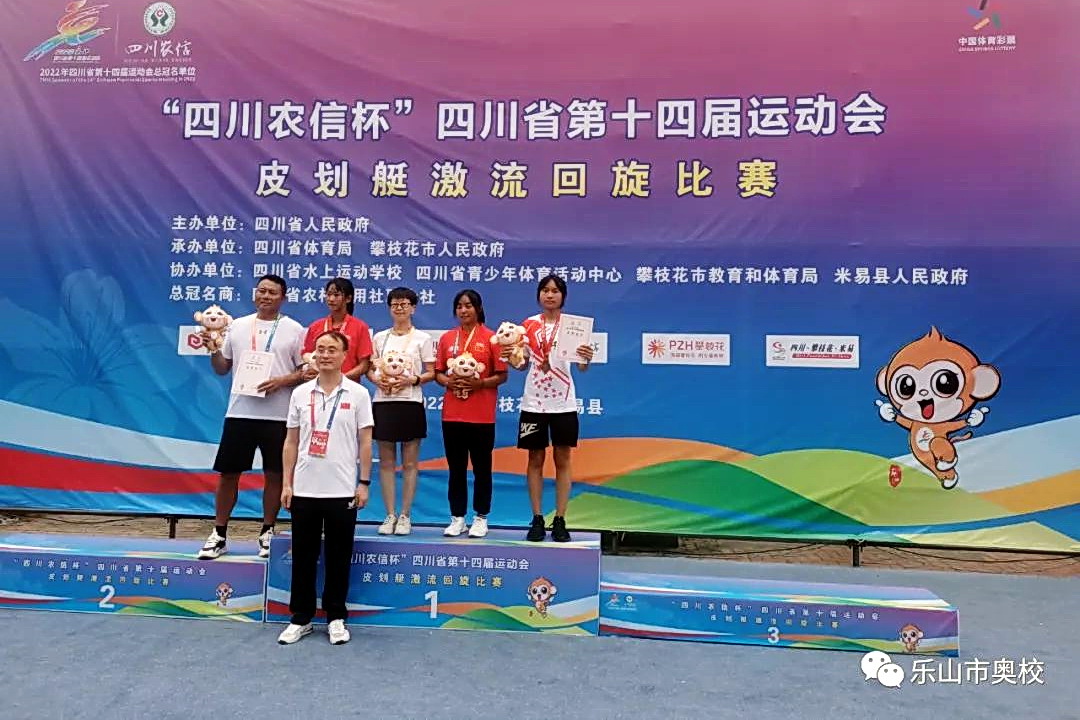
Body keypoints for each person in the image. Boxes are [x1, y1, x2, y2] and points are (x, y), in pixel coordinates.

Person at [198, 274, 307, 560]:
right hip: (240, 412)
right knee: (228, 474)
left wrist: (280, 381)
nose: (266, 296)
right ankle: (219, 533)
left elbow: (304, 372)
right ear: (255, 294)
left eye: (272, 292)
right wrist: (213, 349)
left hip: (279, 415)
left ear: (283, 298)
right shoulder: (237, 326)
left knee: (275, 474)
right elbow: (222, 368)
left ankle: (267, 532)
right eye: (262, 291)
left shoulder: (295, 329)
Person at [277, 330, 374, 645]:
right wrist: (287, 483)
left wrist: (363, 483)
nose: (325, 355)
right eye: (320, 349)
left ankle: (336, 617)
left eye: (332, 350)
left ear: (345, 355)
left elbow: (365, 442)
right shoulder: (300, 393)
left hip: (342, 489)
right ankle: (301, 618)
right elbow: (291, 441)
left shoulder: (358, 394)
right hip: (304, 488)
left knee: (338, 556)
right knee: (303, 557)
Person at [503, 274, 593, 543]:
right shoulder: (528, 325)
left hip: (563, 402)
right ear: (539, 295)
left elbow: (581, 367)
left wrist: (586, 359)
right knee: (535, 459)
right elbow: (521, 365)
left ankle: (561, 519)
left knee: (563, 459)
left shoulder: (574, 326)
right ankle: (537, 518)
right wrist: (511, 358)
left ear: (563, 295)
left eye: (555, 290)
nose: (550, 295)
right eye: (545, 290)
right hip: (534, 402)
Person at [434, 289, 508, 538]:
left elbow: (502, 375)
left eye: (468, 305)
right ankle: (457, 518)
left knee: (482, 469)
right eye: (459, 306)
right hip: (452, 415)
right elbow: (438, 372)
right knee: (456, 469)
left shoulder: (492, 339)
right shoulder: (447, 338)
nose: (463, 310)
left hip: (481, 416)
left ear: (478, 308)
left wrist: (481, 384)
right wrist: (448, 381)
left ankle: (481, 517)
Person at [366, 287, 436, 535]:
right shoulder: (380, 338)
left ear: (413, 308)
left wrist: (412, 380)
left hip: (410, 402)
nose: (399, 308)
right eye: (395, 304)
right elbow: (370, 369)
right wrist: (377, 380)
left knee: (409, 463)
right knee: (386, 463)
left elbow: (431, 372)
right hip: (384, 402)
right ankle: (389, 515)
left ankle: (405, 515)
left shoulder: (422, 339)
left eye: (404, 304)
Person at [301, 277, 372, 382]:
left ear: (348, 298)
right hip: (319, 386)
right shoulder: (316, 326)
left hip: (349, 387)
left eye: (336, 295)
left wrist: (341, 380)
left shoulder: (360, 327)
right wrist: (306, 371)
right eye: (328, 294)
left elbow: (364, 365)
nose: (331, 299)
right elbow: (307, 356)